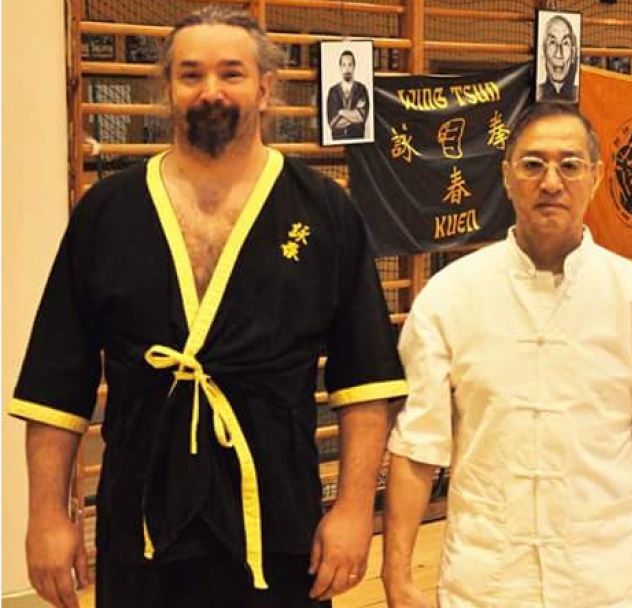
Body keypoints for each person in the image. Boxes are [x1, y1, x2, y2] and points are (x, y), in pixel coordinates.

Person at [10, 8, 406, 608]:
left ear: (265, 89)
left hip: (276, 509)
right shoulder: (109, 211)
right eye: (191, 74)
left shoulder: (324, 209)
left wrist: (354, 510)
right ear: (167, 88)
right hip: (140, 507)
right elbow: (56, 378)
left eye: (231, 73)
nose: (210, 90)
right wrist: (46, 515)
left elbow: (365, 380)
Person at [381, 102, 632, 608]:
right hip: (486, 584)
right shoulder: (450, 296)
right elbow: (416, 448)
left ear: (596, 177)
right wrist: (397, 576)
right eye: (533, 164)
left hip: (607, 584)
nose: (551, 181)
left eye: (570, 165)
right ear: (506, 176)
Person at [326, 50, 370, 140]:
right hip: (338, 142)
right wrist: (353, 116)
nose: (347, 69)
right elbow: (333, 123)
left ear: (354, 67)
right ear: (340, 67)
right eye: (344, 65)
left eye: (350, 65)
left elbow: (361, 117)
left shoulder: (361, 89)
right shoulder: (333, 91)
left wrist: (341, 112)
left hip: (357, 140)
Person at [537, 15, 578, 102]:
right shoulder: (536, 93)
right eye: (552, 42)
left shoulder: (581, 95)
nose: (559, 54)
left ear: (573, 53)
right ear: (543, 51)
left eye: (565, 43)